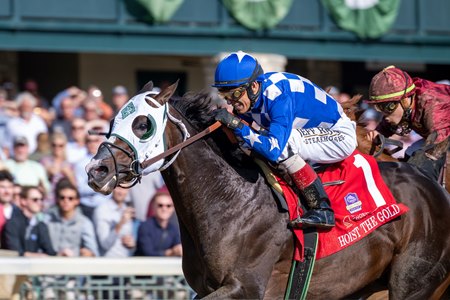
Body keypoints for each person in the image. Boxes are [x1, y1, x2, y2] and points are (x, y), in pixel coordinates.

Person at [212, 51, 357, 229]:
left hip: (339, 136)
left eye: (234, 95)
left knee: (284, 145)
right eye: (225, 96)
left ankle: (322, 209)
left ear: (254, 87)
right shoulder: (252, 95)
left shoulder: (278, 96)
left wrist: (238, 126)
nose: (231, 102)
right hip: (314, 131)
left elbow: (273, 150)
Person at [366, 65, 450, 182]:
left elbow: (438, 143)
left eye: (388, 107)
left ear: (405, 100)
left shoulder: (432, 104)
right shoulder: (408, 104)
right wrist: (379, 132)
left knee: (422, 164)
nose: (385, 115)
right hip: (438, 135)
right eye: (380, 108)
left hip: (442, 136)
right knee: (411, 154)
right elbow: (389, 123)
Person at [45, 179, 98, 257]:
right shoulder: (48, 219)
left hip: (74, 265)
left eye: (70, 198)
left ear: (77, 201)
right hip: (49, 264)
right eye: (62, 197)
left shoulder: (84, 222)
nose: (66, 201)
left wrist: (88, 253)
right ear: (57, 200)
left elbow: (93, 251)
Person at [2, 185, 56, 256]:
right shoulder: (12, 224)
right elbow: (14, 252)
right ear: (23, 201)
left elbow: (49, 251)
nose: (39, 203)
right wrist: (36, 256)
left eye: (41, 199)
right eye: (35, 200)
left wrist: (60, 254)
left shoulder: (40, 225)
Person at [135, 187, 182, 257]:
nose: (164, 209)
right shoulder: (144, 227)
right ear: (153, 207)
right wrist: (170, 253)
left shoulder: (174, 229)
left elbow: (178, 246)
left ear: (173, 209)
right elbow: (147, 253)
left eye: (168, 206)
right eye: (160, 205)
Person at [93, 187, 136, 257]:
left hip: (126, 262)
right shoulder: (102, 210)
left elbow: (130, 243)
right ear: (112, 187)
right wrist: (120, 224)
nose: (121, 192)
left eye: (125, 188)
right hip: (108, 263)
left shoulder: (127, 209)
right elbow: (105, 245)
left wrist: (132, 245)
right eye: (118, 187)